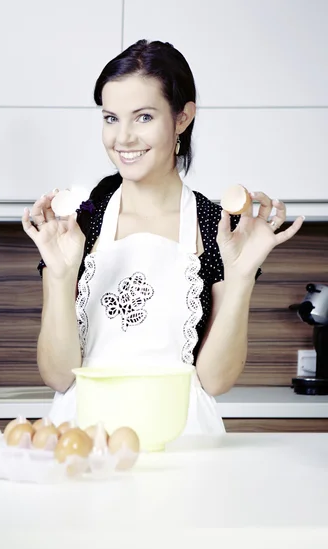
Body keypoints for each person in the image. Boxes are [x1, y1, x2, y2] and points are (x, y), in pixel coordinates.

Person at [22, 39, 304, 435]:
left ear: (183, 118)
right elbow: (58, 376)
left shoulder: (214, 224)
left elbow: (215, 381)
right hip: (83, 439)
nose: (123, 138)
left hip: (181, 436)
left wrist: (241, 277)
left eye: (143, 117)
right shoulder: (80, 221)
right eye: (110, 118)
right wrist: (61, 273)